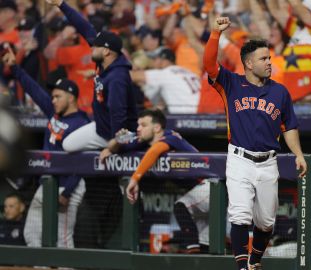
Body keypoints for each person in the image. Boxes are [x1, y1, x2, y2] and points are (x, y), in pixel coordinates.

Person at [203, 17, 307, 270]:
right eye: (263, 59)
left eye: (269, 58)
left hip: (268, 162)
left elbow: (289, 127)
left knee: (266, 222)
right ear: (249, 63)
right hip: (239, 158)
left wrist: (299, 154)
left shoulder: (280, 92)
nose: (269, 62)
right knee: (240, 215)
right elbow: (209, 64)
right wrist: (215, 33)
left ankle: (254, 262)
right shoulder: (231, 83)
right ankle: (242, 267)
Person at [1, 45, 89, 248]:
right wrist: (15, 68)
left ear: (72, 97)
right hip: (47, 182)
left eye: (58, 96)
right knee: (31, 233)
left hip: (68, 186)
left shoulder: (82, 124)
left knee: (62, 241)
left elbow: (83, 162)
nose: (53, 100)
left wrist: (67, 193)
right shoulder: (53, 112)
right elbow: (35, 89)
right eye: (53, 96)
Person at [100, 109, 209, 253]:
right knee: (203, 245)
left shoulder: (171, 136)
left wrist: (135, 179)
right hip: (198, 195)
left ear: (157, 128)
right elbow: (115, 147)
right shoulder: (145, 142)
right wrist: (116, 142)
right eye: (138, 125)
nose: (138, 128)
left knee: (181, 208)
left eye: (143, 125)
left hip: (211, 186)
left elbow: (155, 151)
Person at [46, 0, 138, 152]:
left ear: (106, 51)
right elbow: (84, 27)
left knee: (113, 153)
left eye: (96, 46)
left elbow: (118, 113)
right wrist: (61, 4)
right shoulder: (106, 62)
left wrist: (115, 144)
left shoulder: (117, 77)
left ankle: (123, 159)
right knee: (68, 145)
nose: (92, 48)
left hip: (121, 133)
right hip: (102, 127)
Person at [130, 47, 201, 114]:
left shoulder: (166, 73)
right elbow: (160, 105)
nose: (152, 62)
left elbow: (133, 76)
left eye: (154, 59)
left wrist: (131, 67)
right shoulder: (188, 72)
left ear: (162, 60)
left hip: (186, 117)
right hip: (204, 114)